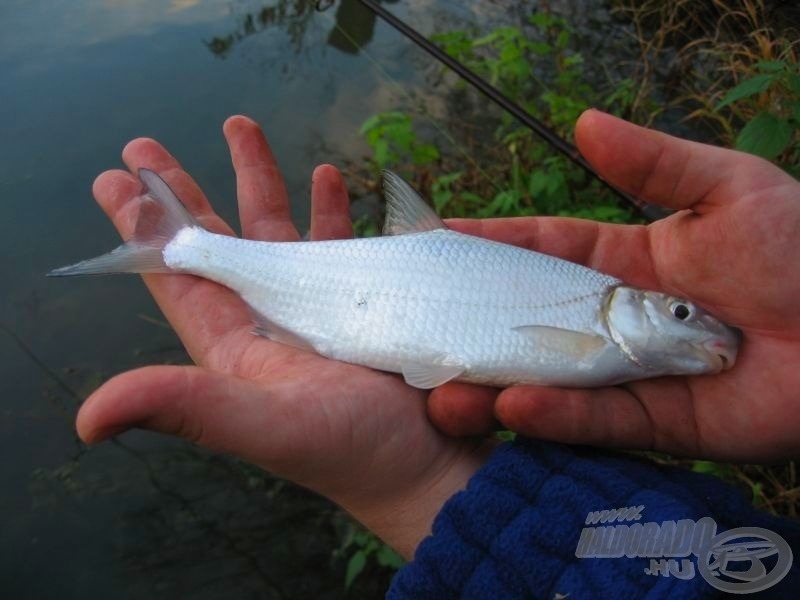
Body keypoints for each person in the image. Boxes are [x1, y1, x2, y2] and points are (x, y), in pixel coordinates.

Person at [75, 110, 800, 597]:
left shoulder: (611, 337)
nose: (690, 324)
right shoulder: (602, 329)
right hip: (377, 288)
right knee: (206, 255)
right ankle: (184, 247)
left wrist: (413, 480)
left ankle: (180, 247)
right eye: (678, 311)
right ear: (636, 308)